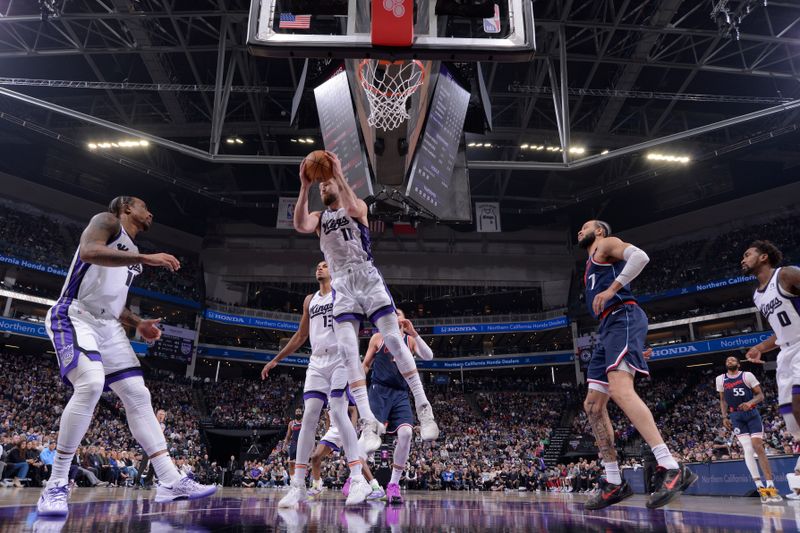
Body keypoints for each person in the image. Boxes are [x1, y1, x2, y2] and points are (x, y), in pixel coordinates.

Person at [37, 196, 216, 517]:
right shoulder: (107, 222)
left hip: (107, 325)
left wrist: (138, 323)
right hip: (74, 315)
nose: (151, 212)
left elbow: (113, 303)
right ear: (127, 209)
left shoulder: (131, 252)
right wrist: (146, 258)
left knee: (137, 394)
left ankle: (168, 479)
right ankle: (56, 483)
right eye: (145, 206)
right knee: (91, 385)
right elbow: (90, 252)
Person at [292, 152, 438, 454]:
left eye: (325, 183)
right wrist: (305, 187)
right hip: (342, 285)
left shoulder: (355, 208)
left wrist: (339, 173)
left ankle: (424, 406)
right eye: (321, 185)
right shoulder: (320, 219)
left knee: (395, 342)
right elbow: (300, 224)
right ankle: (369, 422)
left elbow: (355, 205)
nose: (323, 187)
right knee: (348, 352)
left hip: (366, 278)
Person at [577, 219, 696, 510]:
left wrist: (612, 288)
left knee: (620, 389)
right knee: (592, 405)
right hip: (609, 328)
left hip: (623, 316)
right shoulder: (590, 264)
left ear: (599, 231)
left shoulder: (605, 243)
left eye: (585, 227)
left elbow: (640, 257)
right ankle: (614, 481)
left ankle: (670, 465)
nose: (580, 231)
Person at [262, 261, 374, 507]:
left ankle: (358, 479)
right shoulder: (309, 300)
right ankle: (298, 486)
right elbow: (301, 336)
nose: (319, 268)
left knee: (337, 408)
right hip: (317, 360)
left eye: (325, 265)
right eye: (318, 265)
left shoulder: (344, 292)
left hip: (341, 357)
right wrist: (275, 359)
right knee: (310, 415)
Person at [742, 240, 800, 499]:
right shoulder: (757, 295)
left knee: (799, 406)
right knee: (791, 421)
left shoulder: (786, 274)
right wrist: (760, 348)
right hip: (786, 351)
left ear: (764, 257)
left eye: (747, 255)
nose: (742, 260)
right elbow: (780, 331)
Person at [362, 309, 434, 504]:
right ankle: (356, 478)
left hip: (401, 393)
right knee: (370, 438)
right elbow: (366, 364)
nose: (396, 317)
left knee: (406, 434)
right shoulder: (378, 337)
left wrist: (414, 333)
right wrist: (357, 383)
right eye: (393, 314)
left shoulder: (409, 341)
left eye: (399, 314)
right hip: (379, 391)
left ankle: (393, 485)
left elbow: (428, 355)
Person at [716, 355, 781, 502]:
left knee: (757, 446)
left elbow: (760, 395)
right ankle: (760, 487)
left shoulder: (747, 376)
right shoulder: (720, 379)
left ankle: (770, 485)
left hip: (751, 413)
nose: (729, 361)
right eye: (727, 360)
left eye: (733, 359)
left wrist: (750, 402)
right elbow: (722, 400)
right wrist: (724, 416)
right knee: (747, 448)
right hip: (736, 416)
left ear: (738, 364)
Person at [308, 395, 385, 501]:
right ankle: (317, 485)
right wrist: (328, 441)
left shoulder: (343, 388)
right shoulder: (325, 394)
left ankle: (375, 487)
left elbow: (353, 410)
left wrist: (352, 430)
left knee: (358, 458)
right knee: (315, 457)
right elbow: (327, 418)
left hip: (346, 427)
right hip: (332, 431)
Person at [283, 408, 303, 477]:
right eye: (297, 411)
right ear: (295, 413)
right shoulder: (291, 423)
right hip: (294, 443)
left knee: (301, 463)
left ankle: (300, 479)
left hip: (303, 443)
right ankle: (292, 481)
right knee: (291, 463)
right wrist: (284, 445)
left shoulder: (305, 421)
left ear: (302, 413)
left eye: (299, 411)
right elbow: (288, 436)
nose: (298, 413)